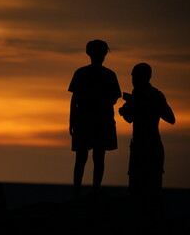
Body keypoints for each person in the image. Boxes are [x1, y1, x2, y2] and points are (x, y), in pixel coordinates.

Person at [68, 40, 121, 196]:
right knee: (89, 157)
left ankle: (87, 191)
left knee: (92, 157)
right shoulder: (102, 74)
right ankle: (85, 191)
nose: (101, 56)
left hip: (94, 121)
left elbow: (75, 99)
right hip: (91, 121)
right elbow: (75, 99)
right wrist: (72, 120)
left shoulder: (86, 73)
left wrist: (72, 120)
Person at [119, 63, 175, 198]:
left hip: (151, 146)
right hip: (138, 145)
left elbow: (171, 118)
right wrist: (127, 109)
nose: (133, 81)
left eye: (136, 77)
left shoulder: (155, 95)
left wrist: (146, 104)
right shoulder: (137, 95)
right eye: (133, 77)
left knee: (152, 187)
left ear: (145, 77)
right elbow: (129, 118)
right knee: (135, 187)